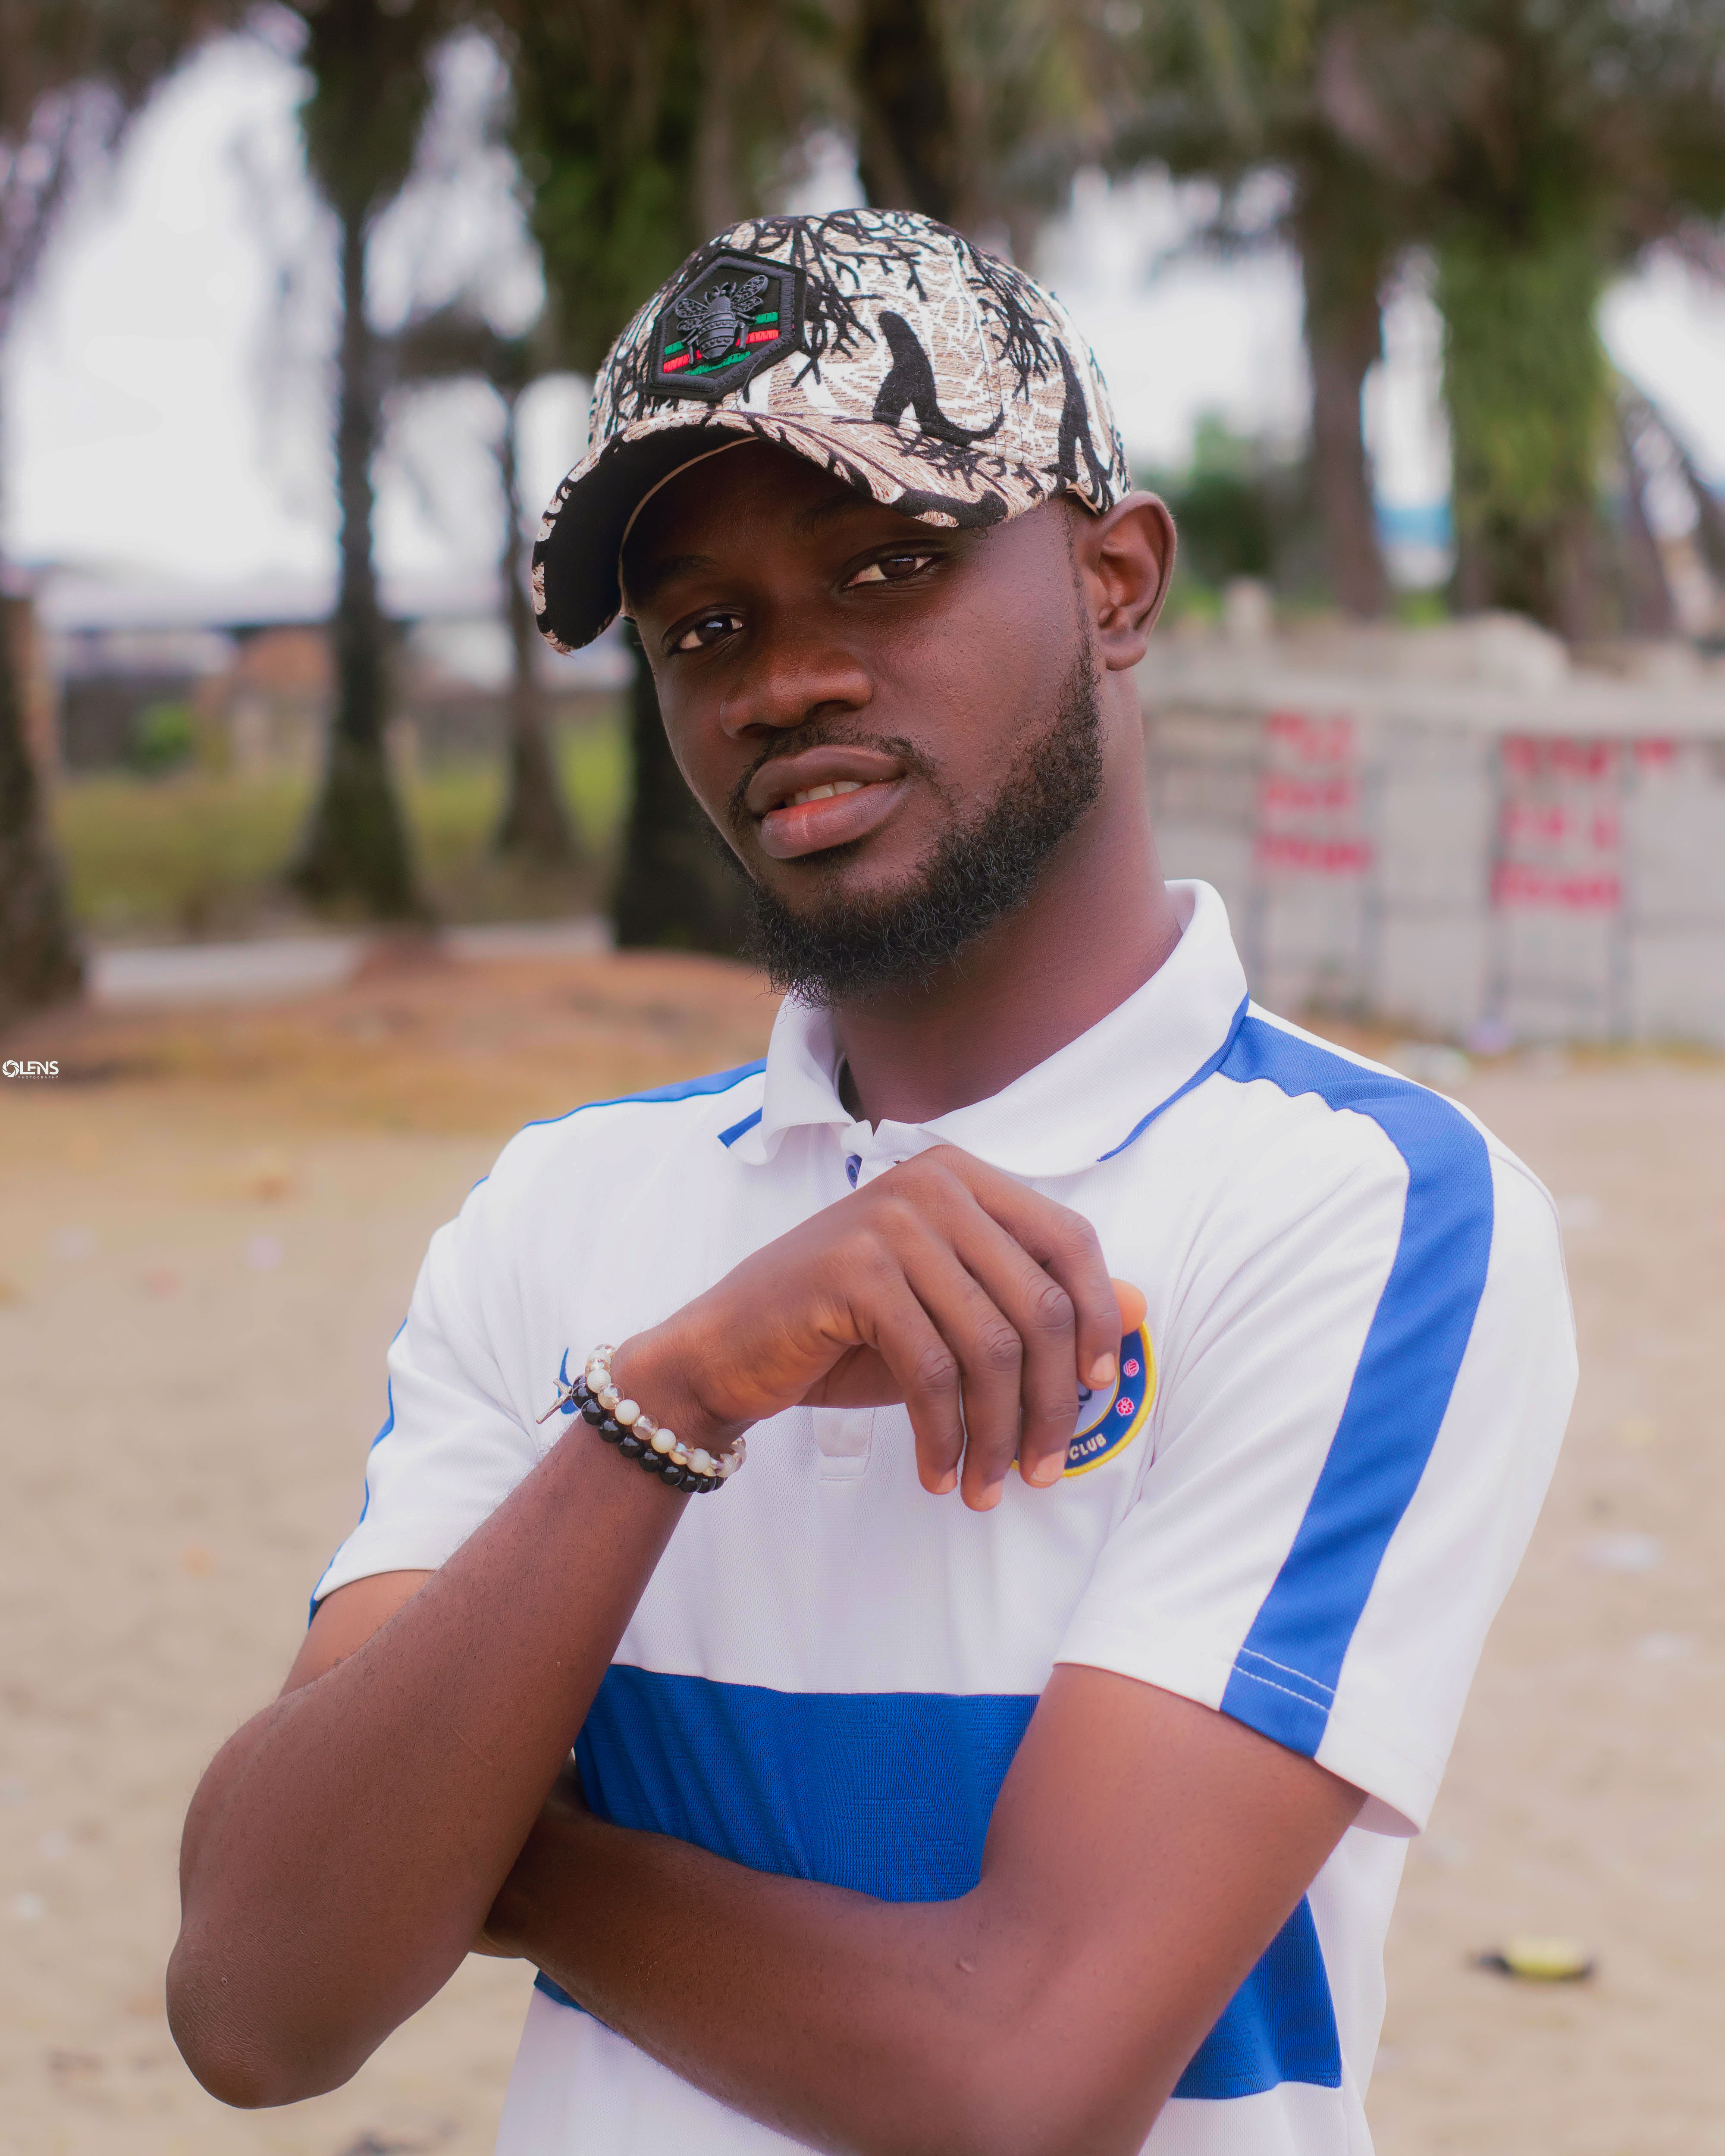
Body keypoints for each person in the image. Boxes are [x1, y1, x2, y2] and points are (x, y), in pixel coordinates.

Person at [168, 210, 1575, 2156]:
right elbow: (258, 1998)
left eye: (888, 564)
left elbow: (1019, 2080)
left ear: (1115, 581)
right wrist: (672, 1398)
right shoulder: (562, 1211)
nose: (783, 681)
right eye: (702, 628)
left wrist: (511, 1862)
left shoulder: (1357, 1205)